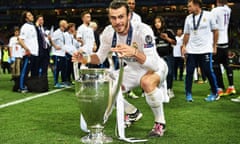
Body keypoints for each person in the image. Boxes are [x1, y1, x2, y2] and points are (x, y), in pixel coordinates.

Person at [72, 0, 169, 137]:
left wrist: (134, 52)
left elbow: (153, 64)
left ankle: (160, 122)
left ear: (129, 16)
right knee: (108, 85)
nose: (117, 22)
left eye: (121, 17)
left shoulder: (143, 30)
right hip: (134, 69)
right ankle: (132, 112)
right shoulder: (108, 33)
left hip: (155, 67)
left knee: (146, 82)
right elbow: (100, 57)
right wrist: (85, 58)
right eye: (113, 18)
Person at [181, 0, 219, 102]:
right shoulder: (188, 18)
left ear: (197, 5)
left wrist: (214, 45)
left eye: (190, 6)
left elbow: (215, 31)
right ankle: (188, 94)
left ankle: (215, 92)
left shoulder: (209, 15)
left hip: (205, 49)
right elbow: (187, 34)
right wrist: (184, 46)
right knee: (189, 72)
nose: (188, 8)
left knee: (208, 71)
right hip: (192, 50)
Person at [211, 0, 236, 96]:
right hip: (225, 42)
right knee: (227, 65)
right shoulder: (228, 10)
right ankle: (231, 87)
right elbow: (226, 5)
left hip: (218, 42)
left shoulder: (215, 11)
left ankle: (220, 88)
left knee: (216, 66)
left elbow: (212, 27)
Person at [153, 16, 176, 99]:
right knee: (158, 74)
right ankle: (158, 90)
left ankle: (169, 89)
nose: (157, 24)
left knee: (169, 73)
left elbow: (174, 42)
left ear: (162, 23)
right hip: (158, 57)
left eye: (158, 22)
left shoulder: (168, 31)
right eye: (155, 22)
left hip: (168, 55)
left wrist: (167, 38)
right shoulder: (153, 33)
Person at [18, 11, 39, 93]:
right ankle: (21, 87)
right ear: (26, 19)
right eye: (29, 15)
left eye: (31, 14)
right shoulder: (25, 27)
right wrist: (26, 49)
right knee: (25, 70)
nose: (32, 16)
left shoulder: (33, 26)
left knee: (32, 71)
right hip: (29, 52)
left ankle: (30, 86)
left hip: (34, 52)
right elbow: (20, 39)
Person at [126, 0, 142, 99]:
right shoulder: (120, 15)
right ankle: (120, 91)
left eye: (133, 3)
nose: (131, 5)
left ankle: (129, 90)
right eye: (129, 3)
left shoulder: (137, 17)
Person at [49, 20, 68, 88]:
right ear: (62, 24)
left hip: (62, 53)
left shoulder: (63, 33)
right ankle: (56, 82)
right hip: (57, 54)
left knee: (64, 69)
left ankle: (63, 82)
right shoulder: (57, 32)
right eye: (66, 23)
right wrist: (55, 46)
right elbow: (51, 39)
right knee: (57, 69)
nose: (67, 24)